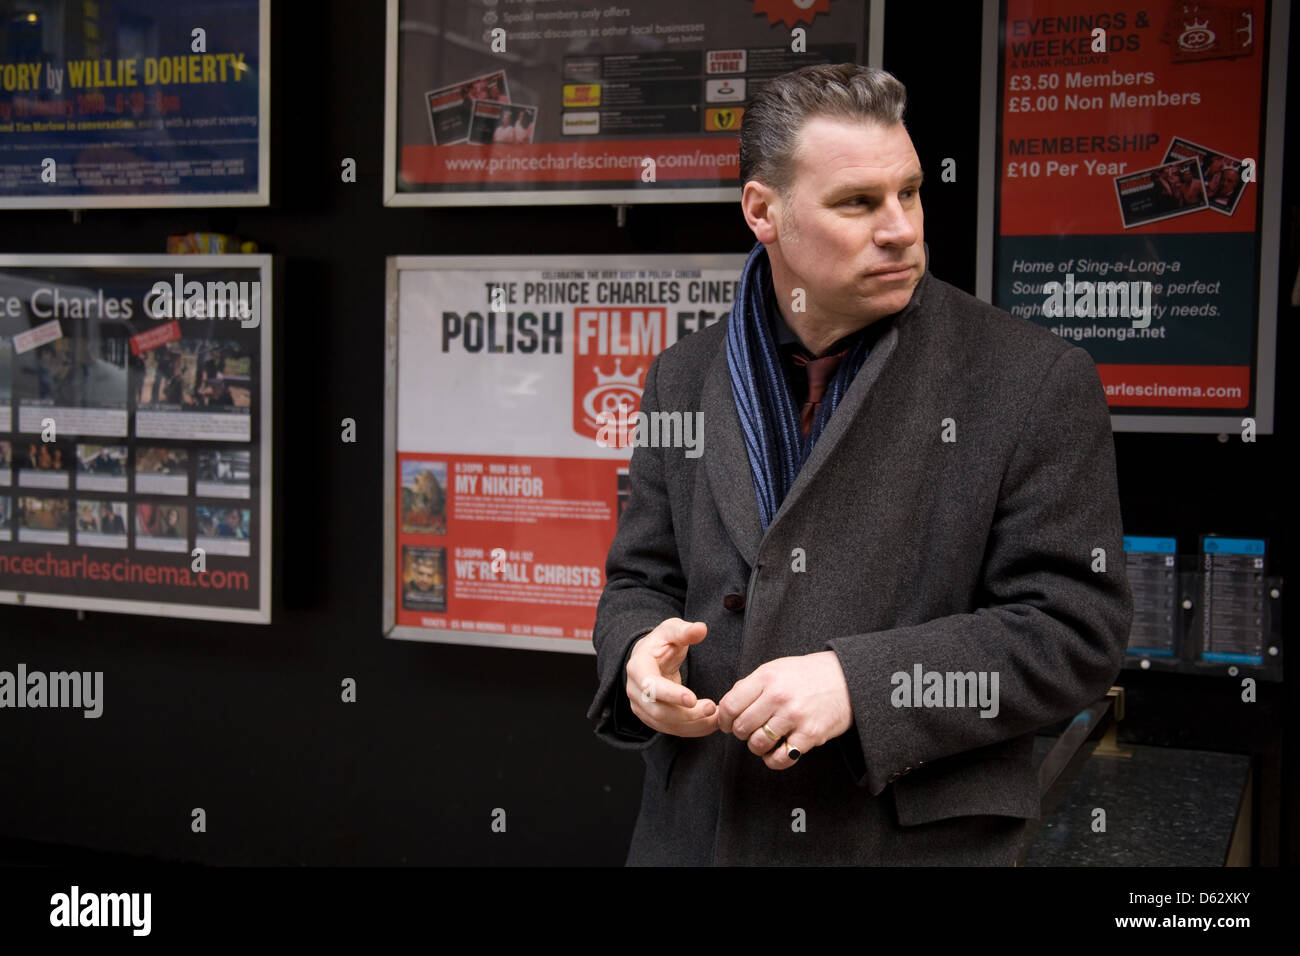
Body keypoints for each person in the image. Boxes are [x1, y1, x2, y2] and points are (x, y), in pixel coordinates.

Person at [586, 64, 1132, 866]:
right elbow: (638, 579)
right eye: (858, 202)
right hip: (696, 833)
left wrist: (864, 684)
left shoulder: (1032, 379)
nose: (901, 228)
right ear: (762, 212)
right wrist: (637, 661)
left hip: (901, 843)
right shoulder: (682, 375)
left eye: (908, 192)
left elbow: (1075, 633)